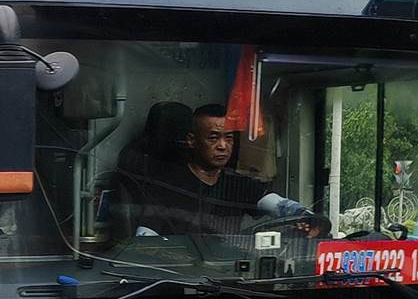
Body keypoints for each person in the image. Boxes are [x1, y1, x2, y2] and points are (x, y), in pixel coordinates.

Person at [98, 100, 311, 243]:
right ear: (192, 140)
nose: (223, 146)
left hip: (228, 278)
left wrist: (307, 219)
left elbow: (281, 206)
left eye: (228, 138)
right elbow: (145, 240)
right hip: (182, 280)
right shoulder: (166, 186)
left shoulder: (240, 184)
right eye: (213, 137)